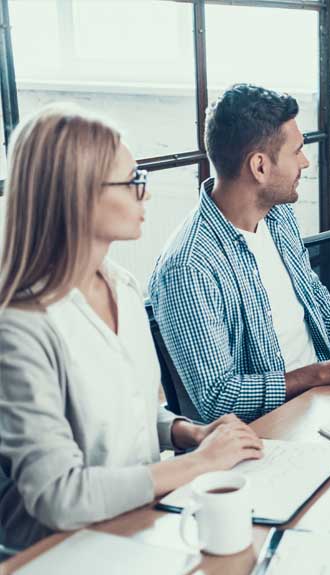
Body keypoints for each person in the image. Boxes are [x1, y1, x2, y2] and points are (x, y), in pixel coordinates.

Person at [0, 106, 263, 550]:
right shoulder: (21, 326)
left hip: (136, 524)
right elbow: (58, 497)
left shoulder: (122, 286)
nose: (146, 195)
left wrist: (185, 431)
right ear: (77, 195)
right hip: (59, 553)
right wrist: (200, 463)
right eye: (132, 181)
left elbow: (127, 409)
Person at [149, 84, 330, 423]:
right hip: (270, 431)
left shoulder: (277, 215)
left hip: (325, 402)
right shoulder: (189, 266)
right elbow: (218, 399)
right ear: (259, 167)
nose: (305, 162)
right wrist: (325, 372)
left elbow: (311, 294)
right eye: (296, 151)